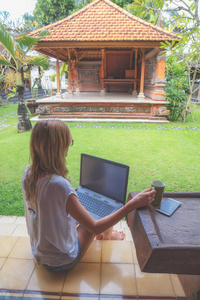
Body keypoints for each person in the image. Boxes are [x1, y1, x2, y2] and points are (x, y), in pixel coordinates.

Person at [22, 120, 156, 272]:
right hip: (62, 261)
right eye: (69, 143)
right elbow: (95, 227)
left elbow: (46, 202)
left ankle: (109, 234)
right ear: (58, 148)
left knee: (90, 214)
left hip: (39, 251)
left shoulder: (28, 173)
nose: (68, 148)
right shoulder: (59, 185)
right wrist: (131, 206)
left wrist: (67, 197)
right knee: (100, 217)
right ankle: (109, 236)